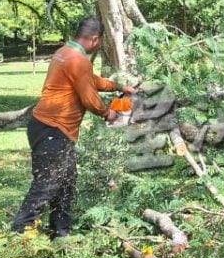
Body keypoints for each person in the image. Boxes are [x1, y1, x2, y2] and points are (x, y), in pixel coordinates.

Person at [12, 18, 135, 237]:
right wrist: (109, 113)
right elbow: (89, 98)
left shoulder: (64, 53)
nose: (98, 45)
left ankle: (61, 232)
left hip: (47, 128)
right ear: (95, 39)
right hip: (53, 130)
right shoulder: (78, 60)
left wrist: (118, 86)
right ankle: (18, 237)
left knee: (66, 182)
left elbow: (91, 80)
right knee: (46, 186)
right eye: (99, 42)